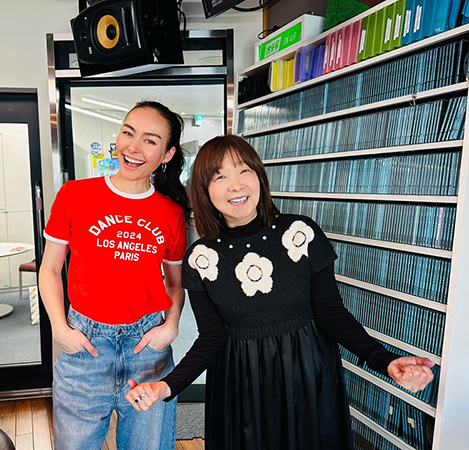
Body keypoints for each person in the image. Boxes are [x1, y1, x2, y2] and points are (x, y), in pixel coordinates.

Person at [125, 134, 435, 449]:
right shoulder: (201, 258)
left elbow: (331, 314)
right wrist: (166, 387)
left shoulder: (300, 233)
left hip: (308, 379)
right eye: (220, 177)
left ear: (259, 175)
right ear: (204, 190)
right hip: (241, 387)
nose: (236, 185)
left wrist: (386, 361)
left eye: (244, 170)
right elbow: (211, 337)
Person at [39, 101, 189, 450]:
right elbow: (50, 268)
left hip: (147, 350)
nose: (133, 148)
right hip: (85, 346)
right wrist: (60, 328)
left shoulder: (171, 213)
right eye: (128, 133)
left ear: (166, 155)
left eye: (150, 141)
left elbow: (175, 282)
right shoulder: (75, 195)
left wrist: (171, 325)